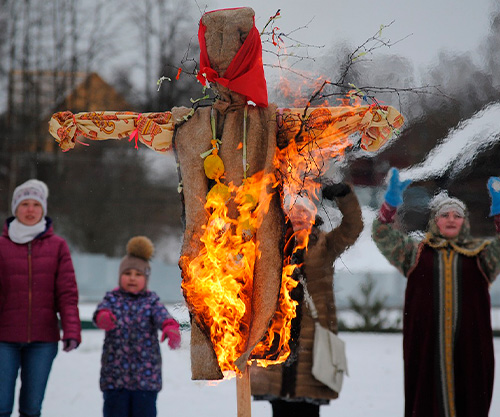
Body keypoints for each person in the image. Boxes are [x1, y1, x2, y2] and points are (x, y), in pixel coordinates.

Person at [372, 168, 500, 417]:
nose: (451, 219)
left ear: (465, 222)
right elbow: (381, 234)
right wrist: (389, 206)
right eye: (445, 215)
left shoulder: (481, 255)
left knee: (469, 401)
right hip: (427, 350)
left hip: (470, 352)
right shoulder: (416, 252)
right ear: (435, 220)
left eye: (457, 215)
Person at [251, 182, 364, 417]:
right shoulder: (271, 246)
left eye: (305, 213)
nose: (300, 218)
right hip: (278, 336)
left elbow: (353, 228)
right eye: (294, 213)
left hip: (314, 342)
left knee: (308, 411)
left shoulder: (325, 245)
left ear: (313, 217)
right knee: (280, 408)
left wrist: (345, 197)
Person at [0, 179, 81, 417]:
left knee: (31, 409)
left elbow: (67, 294)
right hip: (3, 340)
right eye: (24, 204)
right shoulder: (1, 246)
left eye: (36, 204)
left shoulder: (58, 246)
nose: (30, 210)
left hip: (43, 341)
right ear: (16, 208)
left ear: (43, 209)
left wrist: (72, 330)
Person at [93, 236, 181, 417]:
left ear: (146, 278)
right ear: (120, 276)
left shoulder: (151, 300)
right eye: (127, 274)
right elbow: (101, 312)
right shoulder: (112, 298)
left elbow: (163, 316)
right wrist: (103, 317)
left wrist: (169, 327)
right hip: (115, 377)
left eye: (138, 274)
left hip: (146, 379)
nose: (132, 278)